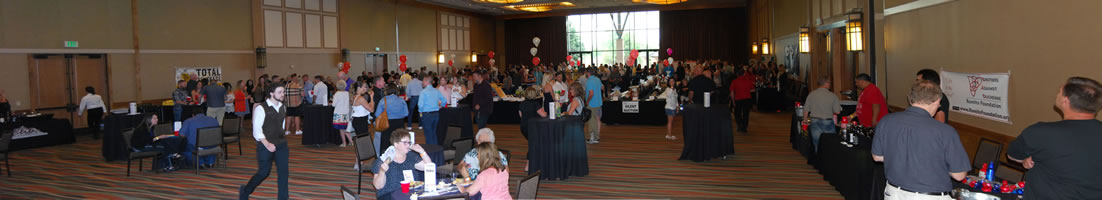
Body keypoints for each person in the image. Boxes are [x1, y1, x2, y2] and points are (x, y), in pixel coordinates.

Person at [1006, 77, 1102, 199]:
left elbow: (1012, 154)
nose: (1057, 94)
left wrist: (1026, 159)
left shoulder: (1042, 132)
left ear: (1065, 101)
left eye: (1060, 91)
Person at [871, 80, 969, 199]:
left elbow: (877, 157)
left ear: (910, 99)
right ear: (937, 101)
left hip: (893, 193)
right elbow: (959, 175)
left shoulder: (886, 121)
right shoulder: (945, 131)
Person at [240, 83, 290, 200]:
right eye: (280, 92)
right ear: (271, 94)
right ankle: (246, 190)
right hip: (265, 145)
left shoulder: (283, 107)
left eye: (283, 92)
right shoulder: (261, 108)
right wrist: (267, 144)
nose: (282, 94)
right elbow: (257, 131)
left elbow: (281, 126)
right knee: (263, 173)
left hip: (281, 145)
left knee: (284, 173)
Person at [371, 131, 433, 199]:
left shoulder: (411, 156)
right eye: (405, 143)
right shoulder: (383, 160)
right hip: (390, 195)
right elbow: (378, 186)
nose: (408, 145)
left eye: (409, 142)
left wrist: (422, 151)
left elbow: (429, 167)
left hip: (410, 193)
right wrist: (382, 172)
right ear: (396, 144)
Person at [803, 77, 841, 152]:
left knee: (817, 143)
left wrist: (805, 119)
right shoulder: (833, 96)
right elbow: (837, 112)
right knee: (830, 143)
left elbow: (806, 109)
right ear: (826, 84)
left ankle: (818, 159)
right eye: (829, 83)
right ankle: (828, 159)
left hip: (814, 120)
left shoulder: (811, 94)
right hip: (827, 122)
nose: (830, 85)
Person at [376, 85, 410, 153]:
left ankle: (386, 159)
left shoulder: (383, 100)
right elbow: (406, 113)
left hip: (387, 123)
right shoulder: (401, 100)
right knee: (399, 141)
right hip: (400, 123)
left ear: (386, 91)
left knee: (385, 143)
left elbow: (377, 114)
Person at [418, 76, 447, 145]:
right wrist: (441, 106)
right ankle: (435, 150)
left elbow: (420, 105)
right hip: (436, 114)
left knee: (428, 134)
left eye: (424, 81)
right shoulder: (436, 91)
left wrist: (420, 111)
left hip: (427, 115)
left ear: (427, 82)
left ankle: (430, 151)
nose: (422, 82)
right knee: (434, 133)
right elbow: (444, 101)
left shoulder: (423, 92)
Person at [730, 67, 755, 133]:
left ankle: (739, 124)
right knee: (746, 114)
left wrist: (733, 101)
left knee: (737, 113)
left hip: (738, 99)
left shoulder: (734, 81)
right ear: (744, 74)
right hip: (747, 99)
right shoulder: (748, 81)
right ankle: (744, 127)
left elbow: (732, 92)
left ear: (738, 74)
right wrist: (747, 90)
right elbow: (753, 90)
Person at [583, 68, 604, 144]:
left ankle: (594, 138)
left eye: (586, 72)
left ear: (588, 73)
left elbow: (591, 94)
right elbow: (602, 87)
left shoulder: (589, 81)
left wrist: (587, 101)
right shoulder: (597, 79)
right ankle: (595, 137)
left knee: (592, 121)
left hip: (592, 103)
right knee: (597, 119)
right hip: (599, 102)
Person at [332, 82, 353, 147]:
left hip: (339, 113)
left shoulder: (337, 94)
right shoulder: (347, 93)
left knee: (341, 129)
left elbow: (333, 104)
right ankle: (350, 141)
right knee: (346, 128)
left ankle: (345, 143)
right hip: (345, 113)